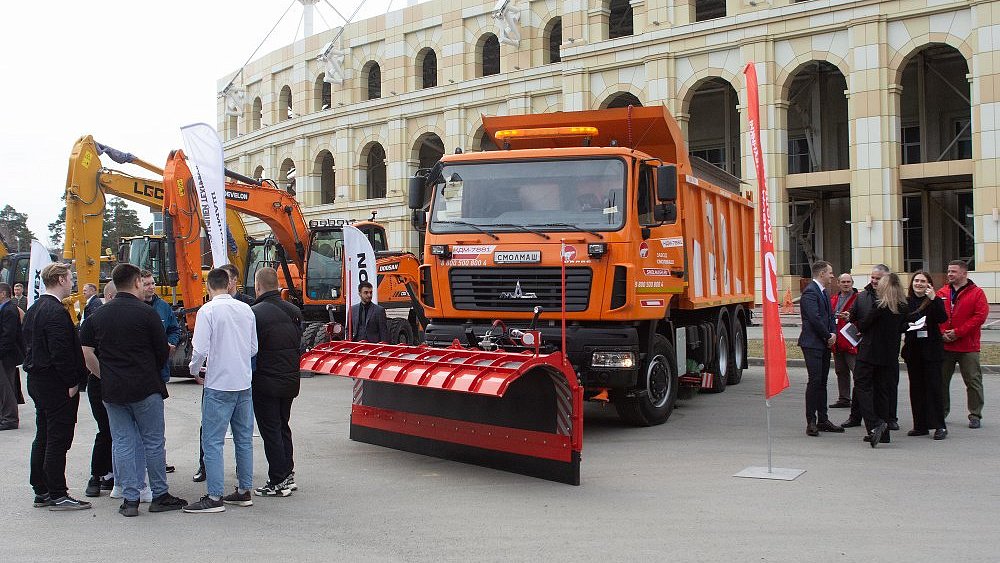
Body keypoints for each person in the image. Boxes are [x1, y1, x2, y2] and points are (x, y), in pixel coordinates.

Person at [80, 263, 187, 517]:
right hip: (145, 387)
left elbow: (86, 353)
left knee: (123, 442)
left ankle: (130, 498)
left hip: (113, 390)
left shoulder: (97, 316)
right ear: (137, 282)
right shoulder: (147, 314)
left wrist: (104, 376)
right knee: (153, 441)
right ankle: (159, 494)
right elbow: (162, 352)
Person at [184, 268, 258, 514]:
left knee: (213, 440)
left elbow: (200, 349)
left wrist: (195, 371)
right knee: (243, 439)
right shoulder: (246, 309)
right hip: (243, 382)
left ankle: (214, 495)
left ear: (208, 286)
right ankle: (244, 489)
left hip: (218, 383)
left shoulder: (208, 310)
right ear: (229, 285)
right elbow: (253, 348)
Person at [21, 263, 91, 510]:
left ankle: (41, 489)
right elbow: (59, 351)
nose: (72, 282)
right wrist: (72, 381)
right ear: (60, 279)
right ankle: (57, 492)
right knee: (57, 438)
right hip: (55, 383)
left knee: (44, 434)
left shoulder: (35, 308)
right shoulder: (54, 311)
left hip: (39, 380)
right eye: (70, 277)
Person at [250, 267, 302, 497]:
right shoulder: (294, 311)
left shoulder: (254, 313)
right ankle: (287, 473)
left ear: (258, 285)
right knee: (283, 425)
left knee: (270, 430)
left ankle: (277, 480)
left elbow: (252, 348)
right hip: (290, 378)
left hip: (266, 380)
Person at [852, 273, 909, 447]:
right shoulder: (902, 306)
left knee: (862, 387)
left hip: (870, 353)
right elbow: (903, 327)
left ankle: (874, 424)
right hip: (889, 355)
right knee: (882, 392)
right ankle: (884, 434)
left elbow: (863, 324)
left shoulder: (879, 306)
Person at [937, 259, 988, 429]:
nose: (949, 274)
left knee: (973, 381)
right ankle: (941, 413)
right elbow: (936, 314)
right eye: (949, 271)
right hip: (945, 345)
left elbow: (979, 317)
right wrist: (943, 333)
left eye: (953, 271)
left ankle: (975, 414)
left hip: (968, 346)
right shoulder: (942, 292)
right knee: (941, 381)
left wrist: (958, 332)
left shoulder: (977, 293)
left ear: (964, 273)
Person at [797, 260, 844, 436]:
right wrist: (827, 335)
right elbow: (814, 318)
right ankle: (811, 421)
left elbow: (830, 316)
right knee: (815, 381)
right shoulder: (810, 292)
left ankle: (823, 419)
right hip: (812, 344)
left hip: (824, 343)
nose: (833, 276)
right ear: (822, 273)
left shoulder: (823, 292)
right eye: (830, 273)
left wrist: (833, 333)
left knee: (822, 382)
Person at [840, 264, 889, 429]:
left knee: (879, 387)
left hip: (882, 349)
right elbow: (854, 314)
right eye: (873, 278)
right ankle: (855, 417)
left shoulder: (889, 297)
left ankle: (884, 421)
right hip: (864, 347)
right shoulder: (862, 296)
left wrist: (862, 325)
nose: (874, 281)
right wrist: (850, 317)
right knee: (861, 384)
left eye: (878, 278)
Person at [902, 271, 948, 440]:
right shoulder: (906, 302)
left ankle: (939, 426)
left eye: (922, 281)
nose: (919, 284)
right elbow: (901, 323)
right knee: (916, 388)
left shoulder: (934, 301)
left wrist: (934, 298)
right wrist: (910, 325)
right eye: (916, 281)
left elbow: (942, 318)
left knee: (934, 388)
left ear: (929, 284)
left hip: (932, 351)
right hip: (914, 350)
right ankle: (920, 425)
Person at [80, 282, 114, 498]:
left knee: (116, 431)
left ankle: (112, 473)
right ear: (109, 296)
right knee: (106, 429)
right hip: (100, 381)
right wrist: (104, 376)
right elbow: (87, 353)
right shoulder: (95, 320)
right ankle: (97, 474)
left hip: (114, 380)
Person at [829, 273, 858, 409]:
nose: (846, 284)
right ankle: (844, 398)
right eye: (843, 282)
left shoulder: (858, 298)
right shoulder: (834, 299)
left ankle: (860, 399)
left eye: (849, 282)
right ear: (838, 283)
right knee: (841, 371)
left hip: (851, 342)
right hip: (837, 342)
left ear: (852, 283)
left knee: (856, 372)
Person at [0, 282, 25, 430]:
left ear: (3, 294)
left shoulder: (9, 310)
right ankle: (5, 416)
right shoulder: (6, 309)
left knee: (6, 387)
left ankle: (9, 418)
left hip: (6, 356)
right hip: (5, 354)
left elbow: (7, 337)